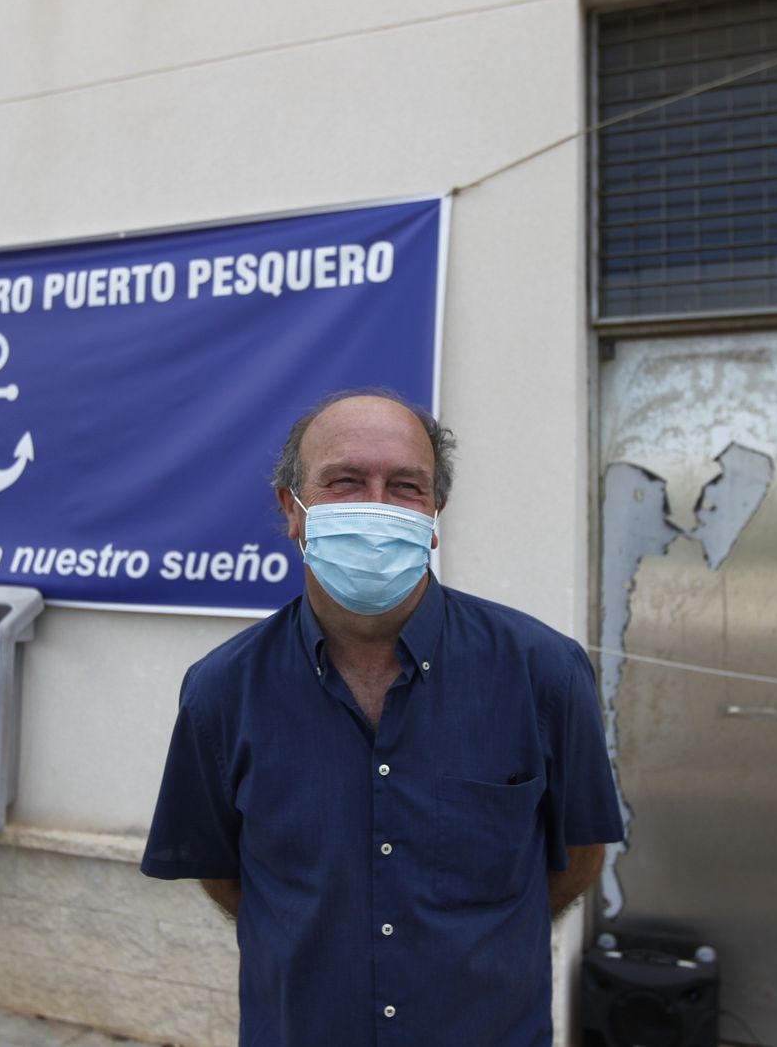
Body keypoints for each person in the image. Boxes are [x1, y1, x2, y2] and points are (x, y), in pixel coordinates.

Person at [141, 390, 625, 1046]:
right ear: (292, 508)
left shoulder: (544, 674)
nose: (375, 505)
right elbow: (225, 874)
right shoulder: (221, 693)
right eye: (344, 481)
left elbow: (580, 855)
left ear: (434, 514)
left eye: (405, 486)